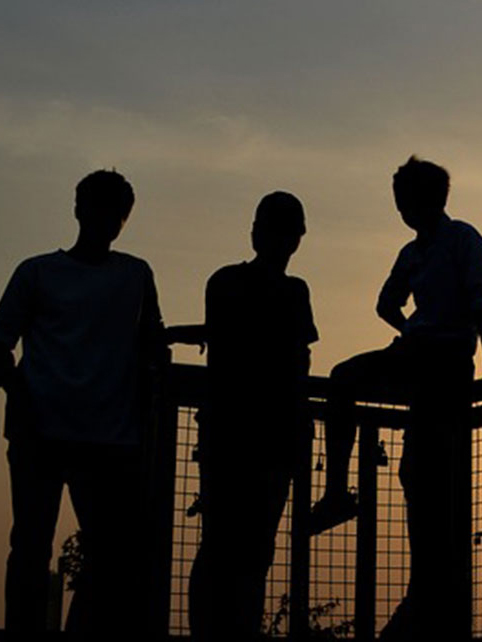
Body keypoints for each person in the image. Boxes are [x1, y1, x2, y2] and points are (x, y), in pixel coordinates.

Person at [310, 156, 482, 641]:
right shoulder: (414, 252)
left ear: (425, 200)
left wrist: (449, 331)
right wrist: (411, 330)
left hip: (446, 360)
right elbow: (386, 302)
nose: (401, 210)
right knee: (343, 379)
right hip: (418, 351)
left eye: (404, 201)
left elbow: (478, 298)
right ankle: (338, 491)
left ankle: (427, 595)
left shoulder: (462, 239)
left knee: (424, 469)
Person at [0, 170, 167, 633]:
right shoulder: (38, 272)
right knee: (37, 546)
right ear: (78, 209)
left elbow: (152, 340)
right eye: (102, 209)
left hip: (107, 438)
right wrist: (21, 396)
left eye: (116, 214)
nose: (108, 221)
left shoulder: (135, 274)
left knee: (101, 552)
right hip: (53, 433)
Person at [188, 191, 319, 641]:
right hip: (266, 436)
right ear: (296, 238)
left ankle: (219, 630)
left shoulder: (223, 282)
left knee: (225, 545)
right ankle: (238, 629)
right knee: (249, 548)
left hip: (234, 433)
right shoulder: (292, 291)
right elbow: (297, 363)